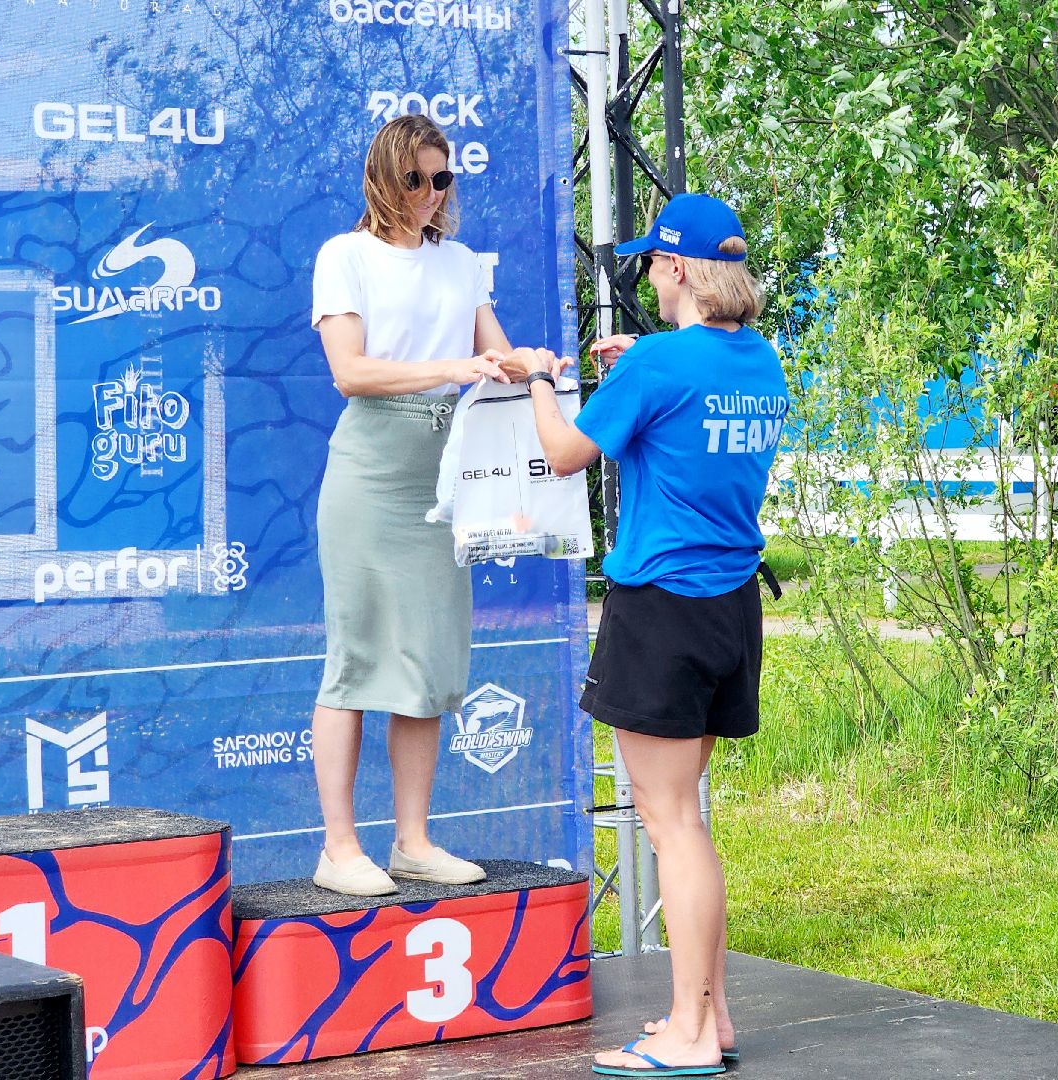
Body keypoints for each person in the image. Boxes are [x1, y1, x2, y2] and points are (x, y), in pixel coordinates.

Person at [512, 193, 789, 1077]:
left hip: (661, 610)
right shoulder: (761, 363)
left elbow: (562, 454)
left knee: (672, 825)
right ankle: (717, 1016)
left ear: (676, 269)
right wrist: (641, 367)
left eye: (650, 264)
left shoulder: (662, 365)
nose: (645, 278)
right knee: (687, 820)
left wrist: (540, 384)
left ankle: (689, 1032)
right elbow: (685, 435)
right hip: (729, 611)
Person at [307, 113, 551, 896]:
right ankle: (338, 847)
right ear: (384, 176)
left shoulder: (460, 265)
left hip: (448, 467)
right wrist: (456, 365)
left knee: (428, 662)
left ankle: (412, 840)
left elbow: (497, 355)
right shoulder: (344, 255)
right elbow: (351, 372)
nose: (428, 194)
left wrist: (534, 367)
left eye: (441, 179)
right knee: (355, 659)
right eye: (415, 178)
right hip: (372, 467)